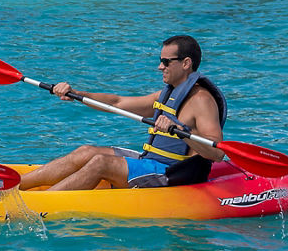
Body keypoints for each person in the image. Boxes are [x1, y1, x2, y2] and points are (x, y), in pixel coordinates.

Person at [19, 35, 227, 191]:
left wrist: (179, 129)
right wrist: (76, 94)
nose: (159, 67)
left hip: (173, 175)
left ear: (186, 63)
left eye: (166, 62)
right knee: (87, 152)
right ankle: (15, 186)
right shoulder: (167, 94)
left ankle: (41, 202)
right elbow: (117, 102)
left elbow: (217, 153)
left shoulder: (201, 101)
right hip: (152, 161)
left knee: (101, 162)